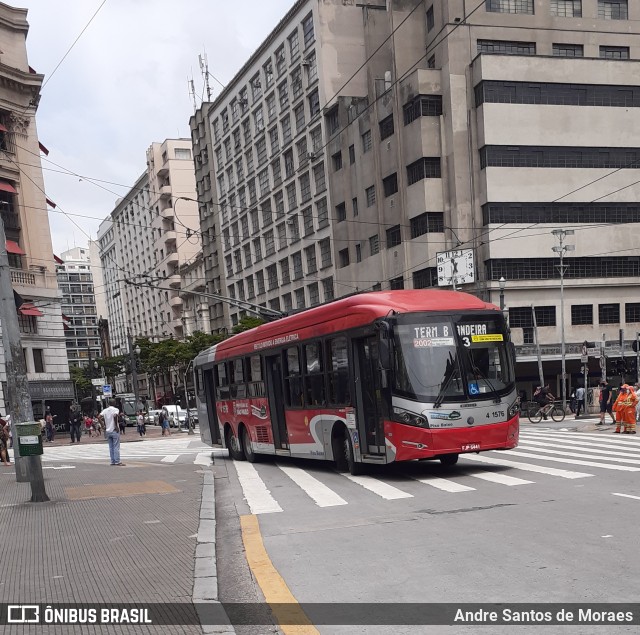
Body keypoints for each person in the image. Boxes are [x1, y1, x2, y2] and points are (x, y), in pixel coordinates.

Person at [98, 399, 124, 466]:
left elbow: (99, 417)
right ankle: (117, 461)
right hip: (114, 430)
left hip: (108, 430)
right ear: (114, 403)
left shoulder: (105, 410)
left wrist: (103, 425)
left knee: (111, 446)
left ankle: (112, 461)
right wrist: (116, 426)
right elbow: (115, 416)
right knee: (116, 446)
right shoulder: (116, 409)